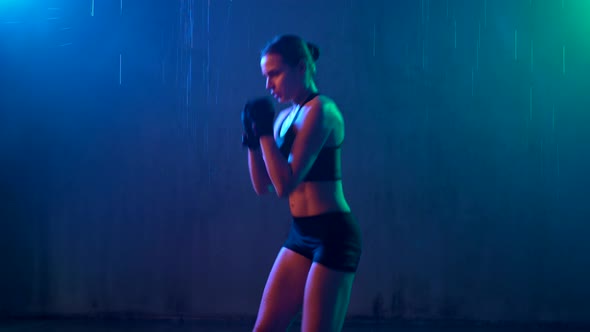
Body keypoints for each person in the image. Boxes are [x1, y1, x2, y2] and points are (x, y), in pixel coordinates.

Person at [241, 34, 362, 332]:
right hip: (301, 233)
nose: (269, 85)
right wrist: (252, 142)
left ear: (301, 67)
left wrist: (265, 134)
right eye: (265, 76)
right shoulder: (285, 117)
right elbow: (262, 186)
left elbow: (285, 186)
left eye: (275, 74)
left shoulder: (322, 111)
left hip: (333, 235)